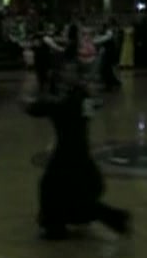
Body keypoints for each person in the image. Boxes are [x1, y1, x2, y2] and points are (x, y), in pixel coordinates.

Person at [24, 61, 131, 240]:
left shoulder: (76, 98)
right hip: (73, 149)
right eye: (65, 71)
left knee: (52, 188)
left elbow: (59, 109)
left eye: (71, 71)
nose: (67, 74)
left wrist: (32, 103)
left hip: (71, 151)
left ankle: (56, 227)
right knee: (60, 190)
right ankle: (113, 219)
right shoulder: (77, 95)